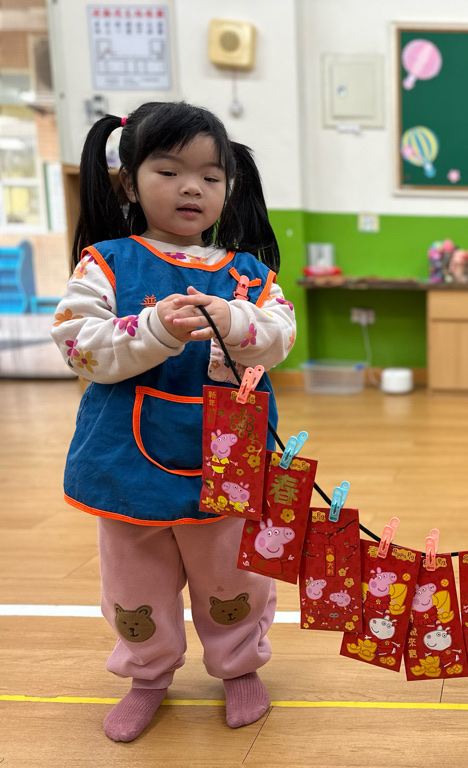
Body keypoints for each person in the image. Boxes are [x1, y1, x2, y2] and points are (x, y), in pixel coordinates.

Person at [50, 102, 296, 742]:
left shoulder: (248, 274)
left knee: (233, 577)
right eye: (169, 171)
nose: (192, 188)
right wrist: (153, 329)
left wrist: (237, 321)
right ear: (130, 183)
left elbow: (279, 337)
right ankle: (147, 676)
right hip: (125, 462)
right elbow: (78, 346)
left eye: (210, 177)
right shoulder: (105, 262)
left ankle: (239, 667)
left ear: (227, 188)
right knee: (134, 584)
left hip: (227, 460)